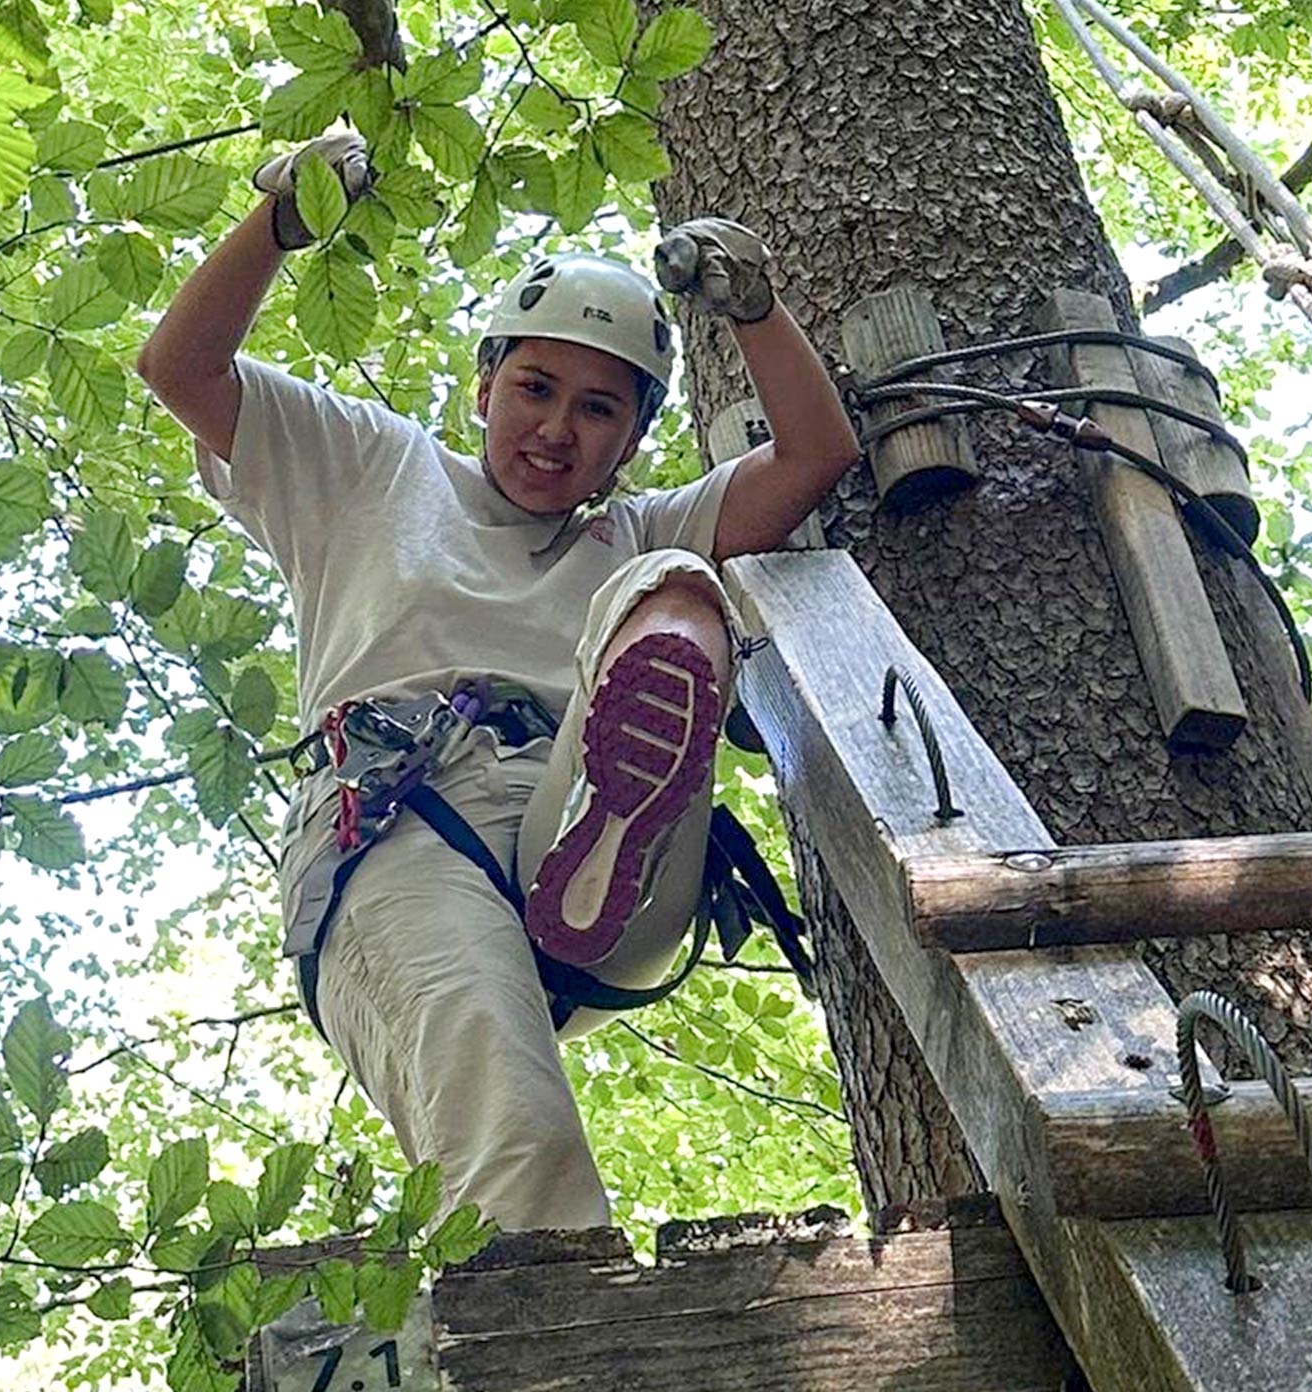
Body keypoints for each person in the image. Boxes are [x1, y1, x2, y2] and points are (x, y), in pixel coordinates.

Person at [134, 130, 860, 1233]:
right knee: (513, 1132)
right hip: (405, 815)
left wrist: (753, 310)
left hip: (595, 848)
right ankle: (563, 1318)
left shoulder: (631, 530)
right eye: (533, 387)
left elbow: (812, 457)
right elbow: (179, 369)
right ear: (481, 388)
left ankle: (603, 825)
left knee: (672, 582)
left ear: (629, 442)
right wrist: (279, 220)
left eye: (598, 410)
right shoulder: (371, 466)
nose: (555, 429)